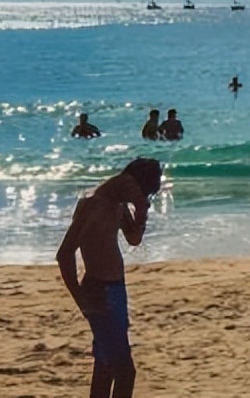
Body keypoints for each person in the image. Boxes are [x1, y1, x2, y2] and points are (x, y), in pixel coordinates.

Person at [56, 157, 163, 398]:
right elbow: (64, 254)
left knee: (105, 366)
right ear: (130, 182)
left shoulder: (117, 203)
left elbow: (133, 239)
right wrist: (81, 299)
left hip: (116, 289)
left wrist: (142, 210)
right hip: (100, 291)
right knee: (125, 371)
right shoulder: (95, 204)